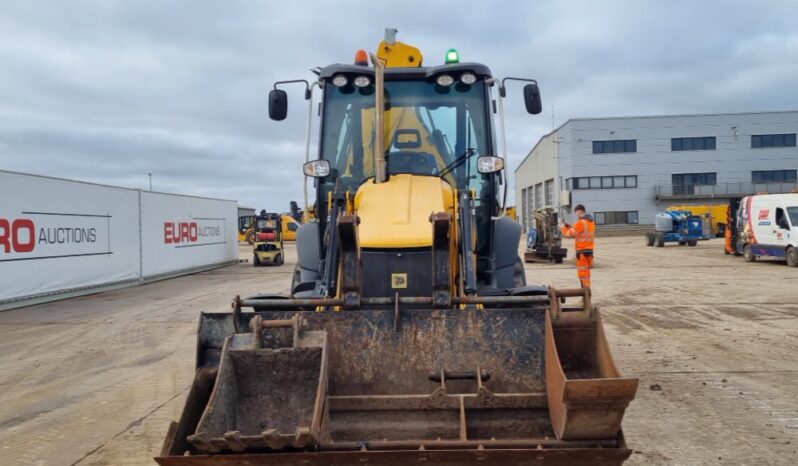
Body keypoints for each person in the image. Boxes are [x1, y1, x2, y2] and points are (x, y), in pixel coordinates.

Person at [561, 204, 595, 289]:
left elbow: (568, 234)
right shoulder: (591, 222)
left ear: (579, 212)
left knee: (583, 275)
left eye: (576, 213)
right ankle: (586, 293)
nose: (576, 215)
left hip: (581, 252)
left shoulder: (580, 223)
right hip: (589, 251)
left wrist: (563, 227)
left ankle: (586, 295)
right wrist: (571, 227)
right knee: (587, 275)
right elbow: (581, 232)